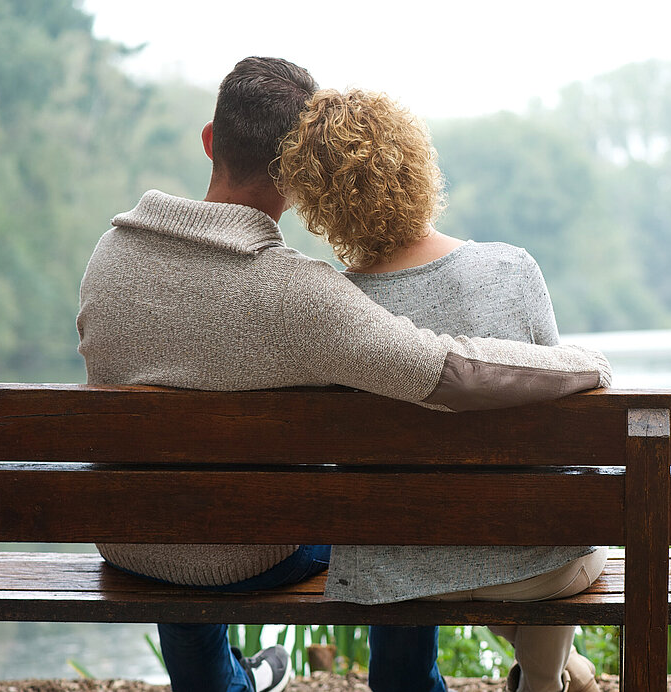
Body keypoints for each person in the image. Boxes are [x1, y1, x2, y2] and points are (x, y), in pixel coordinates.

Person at [76, 57, 611, 692]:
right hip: (256, 554)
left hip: (130, 539)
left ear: (210, 141)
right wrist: (582, 363)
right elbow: (450, 373)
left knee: (172, 506)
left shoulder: (109, 257)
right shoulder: (299, 294)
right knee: (385, 509)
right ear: (300, 174)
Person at [276, 88, 605, 692]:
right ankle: (546, 678)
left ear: (319, 203)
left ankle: (555, 673)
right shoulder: (511, 269)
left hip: (395, 570)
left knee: (453, 550)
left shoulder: (331, 308)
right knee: (542, 539)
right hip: (534, 564)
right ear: (417, 166)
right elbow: (563, 416)